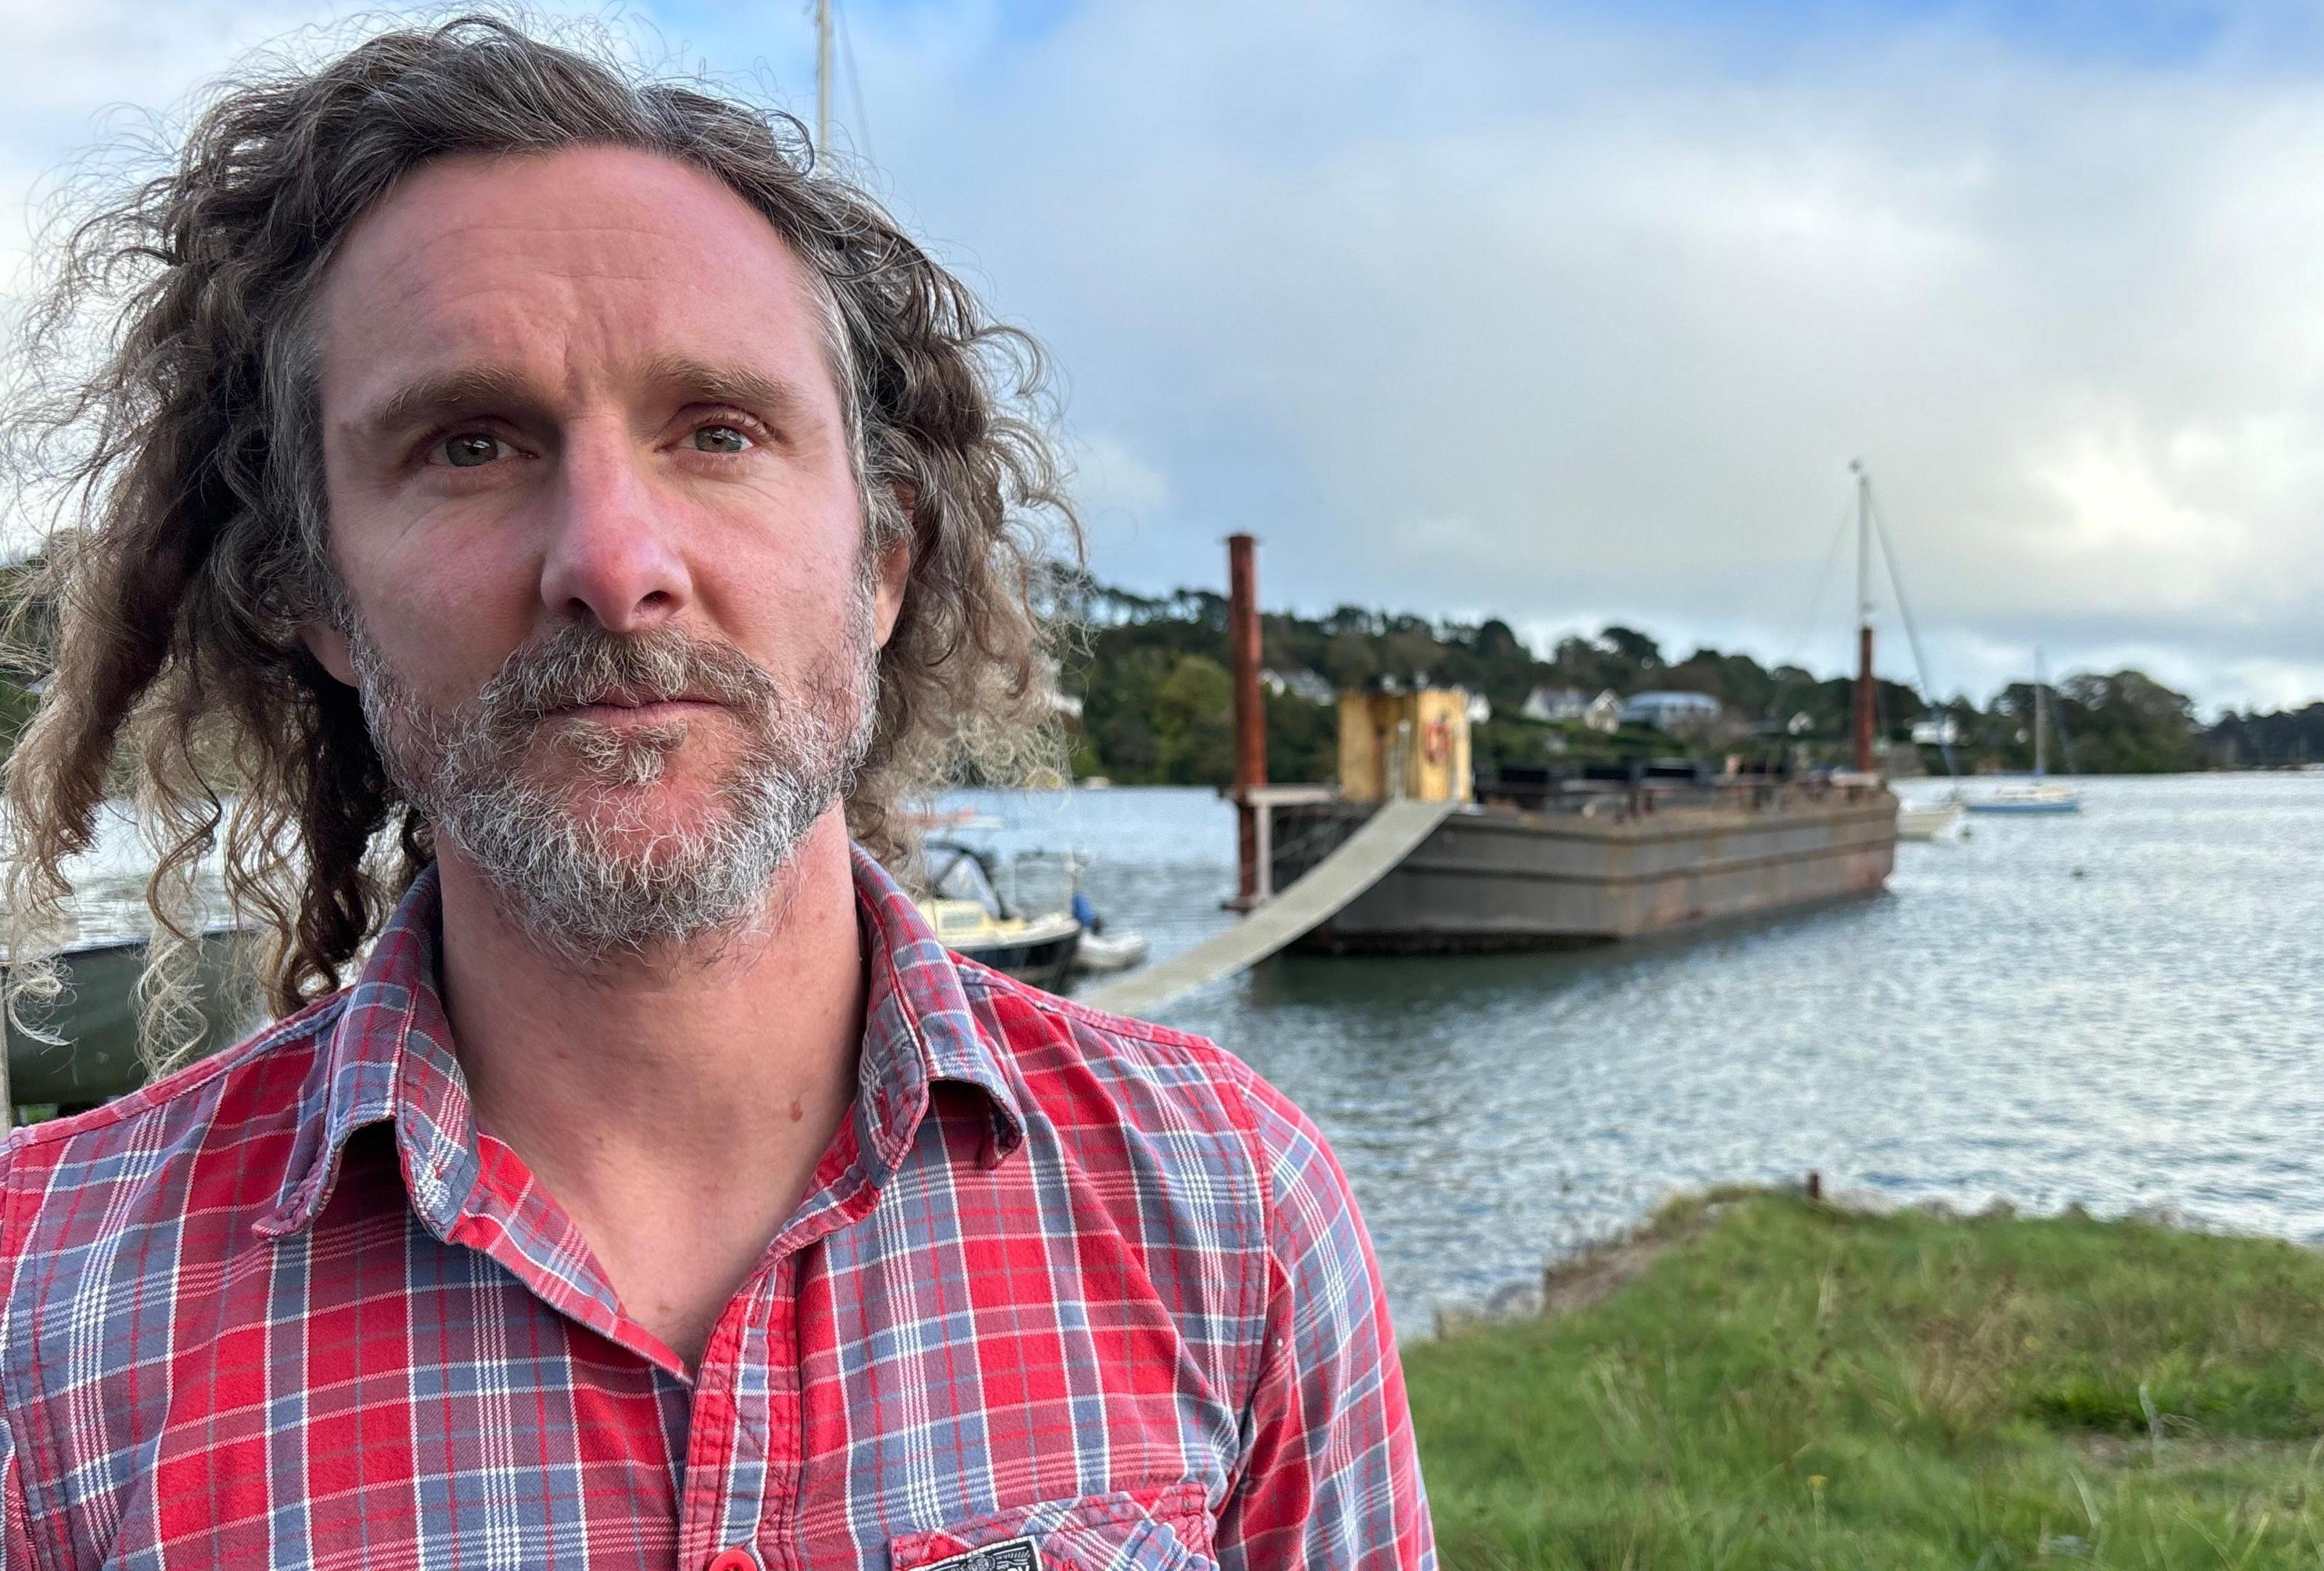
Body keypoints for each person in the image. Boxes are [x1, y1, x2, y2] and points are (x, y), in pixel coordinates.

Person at [0, 19, 1434, 1569]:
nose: (615, 564)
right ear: (314, 593)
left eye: (720, 432)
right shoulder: (40, 1309)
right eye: (468, 445)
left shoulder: (1228, 1204)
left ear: (881, 563)